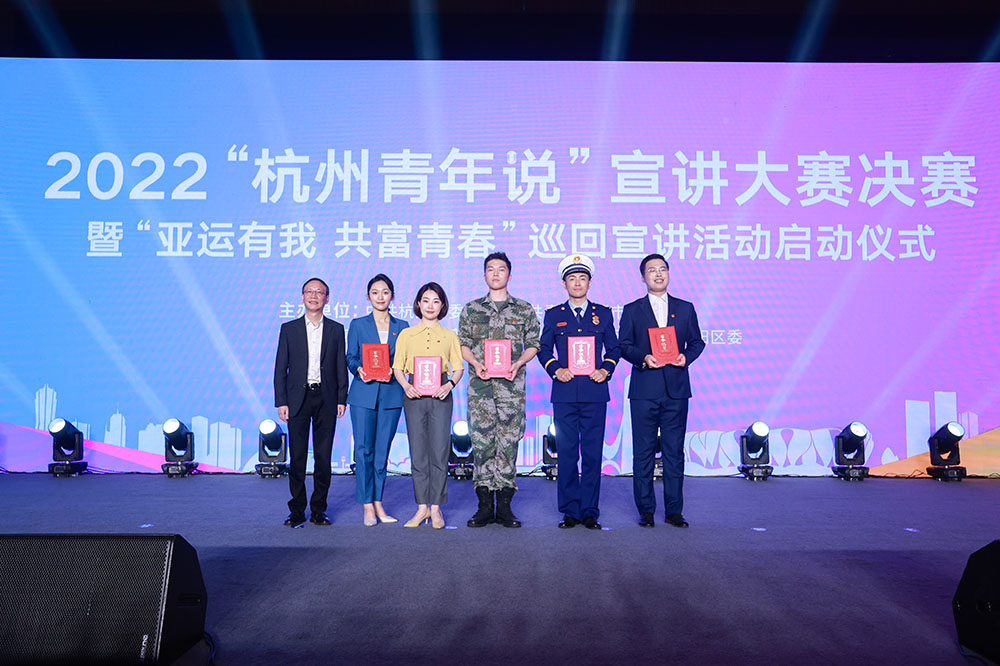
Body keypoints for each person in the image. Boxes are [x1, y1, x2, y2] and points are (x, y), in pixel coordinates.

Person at [618, 254, 705, 529]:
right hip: (644, 389)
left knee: (673, 452)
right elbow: (623, 345)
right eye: (652, 270)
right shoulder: (632, 310)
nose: (658, 274)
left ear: (668, 274)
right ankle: (646, 510)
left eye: (663, 269)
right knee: (643, 452)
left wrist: (685, 357)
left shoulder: (685, 308)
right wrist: (643, 357)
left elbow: (697, 342)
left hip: (676, 390)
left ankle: (674, 511)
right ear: (643, 277)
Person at [537, 254, 620, 530]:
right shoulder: (554, 315)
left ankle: (590, 511)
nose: (577, 283)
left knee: (593, 455)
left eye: (582, 278)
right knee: (567, 453)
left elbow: (615, 348)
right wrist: (556, 369)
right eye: (572, 279)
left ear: (590, 283)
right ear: (564, 284)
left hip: (595, 392)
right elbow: (544, 349)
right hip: (565, 393)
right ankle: (570, 511)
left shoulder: (603, 313)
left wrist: (605, 370)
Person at [458, 252, 540, 528]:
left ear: (510, 275)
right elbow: (463, 344)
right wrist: (475, 363)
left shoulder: (523, 309)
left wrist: (518, 363)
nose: (495, 273)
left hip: (511, 390)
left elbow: (533, 344)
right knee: (482, 446)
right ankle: (484, 507)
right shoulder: (472, 309)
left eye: (501, 269)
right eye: (490, 269)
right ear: (484, 275)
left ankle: (504, 507)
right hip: (481, 390)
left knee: (508, 445)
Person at [273, 277, 348, 527]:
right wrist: (281, 401)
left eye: (319, 292)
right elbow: (280, 367)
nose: (314, 296)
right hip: (297, 399)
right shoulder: (289, 328)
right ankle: (296, 509)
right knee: (297, 458)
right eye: (309, 291)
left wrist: (341, 398)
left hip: (326, 398)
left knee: (323, 458)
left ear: (327, 298)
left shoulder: (336, 329)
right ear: (302, 297)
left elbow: (340, 366)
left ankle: (319, 510)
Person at [392, 282, 464, 529]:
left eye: (436, 301)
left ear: (442, 305)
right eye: (425, 300)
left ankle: (436, 508)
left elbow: (458, 367)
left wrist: (449, 385)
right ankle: (421, 507)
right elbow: (397, 367)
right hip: (413, 395)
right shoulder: (407, 334)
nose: (430, 306)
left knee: (439, 451)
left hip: (441, 395)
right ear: (418, 304)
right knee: (418, 452)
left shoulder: (450, 335)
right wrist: (406, 386)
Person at [346, 274, 407, 526]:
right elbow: (351, 357)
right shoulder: (358, 324)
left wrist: (397, 368)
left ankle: (379, 501)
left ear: (392, 295)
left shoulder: (402, 326)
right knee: (364, 450)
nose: (380, 297)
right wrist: (359, 369)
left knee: (382, 451)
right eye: (375, 292)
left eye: (385, 292)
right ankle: (367, 505)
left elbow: (405, 358)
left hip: (391, 393)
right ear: (368, 296)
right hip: (364, 393)